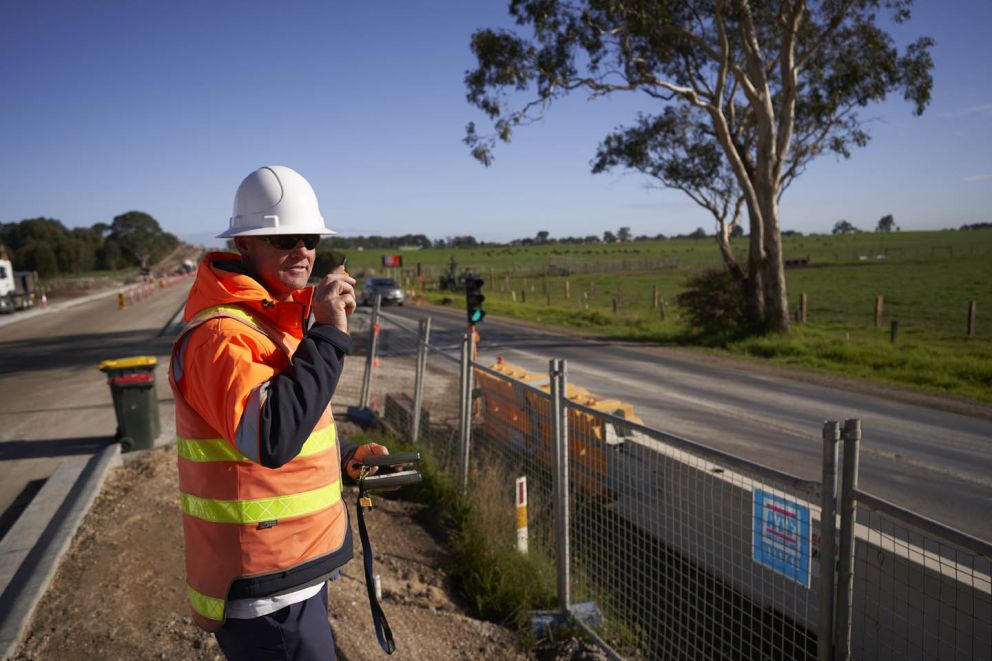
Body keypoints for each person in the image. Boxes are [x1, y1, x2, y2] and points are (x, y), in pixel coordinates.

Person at [169, 165, 388, 659]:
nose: (304, 251)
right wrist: (330, 335)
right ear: (244, 244)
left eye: (309, 238)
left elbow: (290, 417)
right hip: (265, 588)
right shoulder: (222, 336)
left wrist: (343, 457)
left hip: (291, 571)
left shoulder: (272, 316)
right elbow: (270, 436)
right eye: (284, 237)